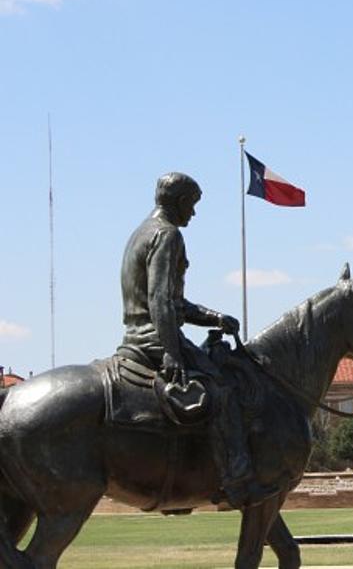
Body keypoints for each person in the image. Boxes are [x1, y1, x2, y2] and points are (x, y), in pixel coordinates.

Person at [119, 172, 275, 508]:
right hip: (155, 338)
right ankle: (237, 480)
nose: (194, 213)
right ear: (178, 202)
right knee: (224, 391)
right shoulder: (167, 234)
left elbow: (172, 302)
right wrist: (172, 353)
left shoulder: (141, 233)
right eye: (192, 204)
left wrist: (214, 318)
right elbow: (160, 300)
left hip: (138, 333)